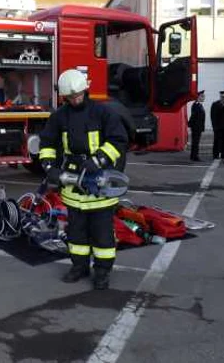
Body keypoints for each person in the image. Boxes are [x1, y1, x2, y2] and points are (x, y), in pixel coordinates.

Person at [38, 69, 129, 290]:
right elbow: (47, 143)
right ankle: (79, 267)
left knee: (102, 235)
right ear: (65, 97)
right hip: (73, 186)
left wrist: (98, 160)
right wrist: (49, 167)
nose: (75, 99)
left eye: (78, 95)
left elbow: (118, 140)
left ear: (84, 90)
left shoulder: (103, 113)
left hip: (99, 185)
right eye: (71, 97)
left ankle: (102, 272)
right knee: (76, 233)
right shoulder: (59, 117)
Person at [188, 90, 206, 162]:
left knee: (196, 142)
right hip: (196, 127)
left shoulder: (199, 105)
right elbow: (193, 116)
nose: (203, 98)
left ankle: (193, 155)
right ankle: (195, 156)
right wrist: (191, 125)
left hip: (198, 127)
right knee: (195, 142)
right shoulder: (196, 105)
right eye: (202, 96)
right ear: (198, 97)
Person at [210, 90, 224, 159]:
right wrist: (214, 126)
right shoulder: (215, 104)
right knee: (217, 141)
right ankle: (216, 154)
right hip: (218, 127)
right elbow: (213, 116)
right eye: (222, 97)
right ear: (220, 97)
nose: (223, 98)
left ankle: (223, 154)